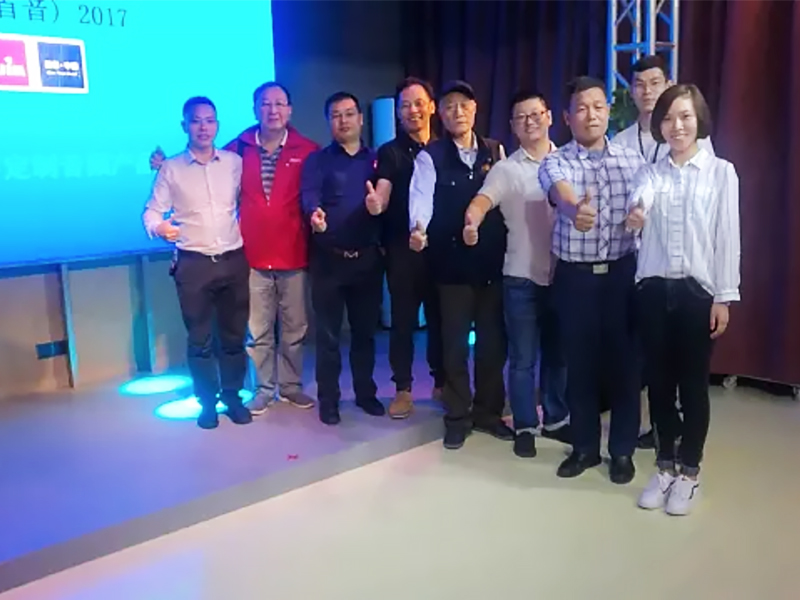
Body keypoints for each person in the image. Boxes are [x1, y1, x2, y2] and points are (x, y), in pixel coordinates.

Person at [150, 82, 319, 417]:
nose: (273, 110)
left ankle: (287, 386)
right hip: (248, 257)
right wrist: (165, 166)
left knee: (292, 329)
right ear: (255, 109)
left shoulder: (304, 151)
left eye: (279, 103)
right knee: (254, 332)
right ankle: (260, 390)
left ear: (290, 109)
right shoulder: (239, 150)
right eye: (265, 103)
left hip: (289, 253)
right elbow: (196, 162)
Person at [627, 84, 740, 515]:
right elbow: (641, 201)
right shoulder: (651, 172)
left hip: (697, 293)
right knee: (658, 385)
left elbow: (727, 238)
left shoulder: (721, 173)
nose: (677, 126)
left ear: (699, 120)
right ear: (660, 124)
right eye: (669, 118)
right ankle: (664, 467)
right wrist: (637, 212)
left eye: (685, 116)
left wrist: (723, 297)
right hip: (654, 291)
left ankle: (689, 473)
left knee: (693, 387)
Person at [538, 76, 644, 483]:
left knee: (624, 366)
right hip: (575, 279)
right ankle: (584, 448)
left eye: (598, 106)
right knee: (578, 366)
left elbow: (647, 200)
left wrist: (641, 214)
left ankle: (622, 451)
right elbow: (560, 192)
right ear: (567, 117)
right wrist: (572, 210)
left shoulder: (632, 161)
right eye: (581, 108)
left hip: (621, 275)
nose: (591, 115)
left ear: (608, 112)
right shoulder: (556, 160)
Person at [614, 56, 716, 450]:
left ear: (668, 84)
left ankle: (684, 448)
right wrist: (637, 210)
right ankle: (651, 430)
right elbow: (636, 193)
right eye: (639, 84)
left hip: (685, 270)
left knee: (686, 368)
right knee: (646, 360)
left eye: (655, 82)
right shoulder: (622, 142)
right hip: (638, 265)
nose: (647, 91)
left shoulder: (698, 144)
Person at [463, 90, 570, 458]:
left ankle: (556, 418)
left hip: (564, 276)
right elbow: (483, 200)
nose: (530, 121)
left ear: (550, 116)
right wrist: (472, 220)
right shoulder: (506, 169)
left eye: (536, 114)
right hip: (521, 277)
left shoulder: (568, 162)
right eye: (521, 117)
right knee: (523, 359)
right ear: (512, 126)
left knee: (558, 355)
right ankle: (525, 424)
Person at [409, 80, 512, 450]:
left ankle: (488, 412)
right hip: (450, 266)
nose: (458, 112)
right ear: (440, 112)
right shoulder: (431, 156)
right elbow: (421, 200)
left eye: (464, 105)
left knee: (492, 344)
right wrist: (418, 230)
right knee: (453, 345)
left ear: (474, 109)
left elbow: (505, 197)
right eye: (450, 106)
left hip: (491, 264)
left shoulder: (495, 150)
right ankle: (457, 416)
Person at [143, 96, 252, 430]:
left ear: (217, 125)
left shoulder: (234, 162)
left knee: (234, 337)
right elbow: (152, 211)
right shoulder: (171, 168)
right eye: (196, 121)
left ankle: (233, 398)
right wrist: (159, 228)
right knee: (200, 340)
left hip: (233, 260)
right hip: (193, 265)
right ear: (184, 126)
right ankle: (207, 403)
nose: (203, 127)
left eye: (210, 120)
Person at [301, 92, 385, 426]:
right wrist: (315, 214)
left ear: (360, 119)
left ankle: (365, 393)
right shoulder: (317, 161)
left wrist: (378, 207)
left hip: (367, 260)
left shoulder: (377, 159)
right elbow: (309, 196)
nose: (343, 120)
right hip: (328, 262)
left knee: (365, 334)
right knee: (328, 337)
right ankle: (329, 399)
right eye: (336, 115)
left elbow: (387, 202)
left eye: (349, 113)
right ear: (329, 122)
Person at [366, 77, 445, 419]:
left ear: (432, 107)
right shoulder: (390, 152)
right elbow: (382, 191)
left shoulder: (445, 148)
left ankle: (442, 383)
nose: (412, 110)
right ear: (397, 113)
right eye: (405, 105)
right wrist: (377, 203)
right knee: (403, 323)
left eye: (418, 103)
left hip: (441, 250)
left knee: (442, 320)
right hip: (402, 251)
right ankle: (402, 389)